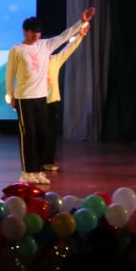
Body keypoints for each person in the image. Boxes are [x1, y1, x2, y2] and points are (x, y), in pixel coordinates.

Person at [4, 8, 96, 186]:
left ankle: (38, 170)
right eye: (33, 32)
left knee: (42, 134)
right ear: (25, 31)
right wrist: (10, 95)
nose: (36, 36)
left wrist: (82, 22)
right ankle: (27, 172)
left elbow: (64, 36)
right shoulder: (17, 50)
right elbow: (10, 74)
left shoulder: (45, 45)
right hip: (24, 98)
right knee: (28, 135)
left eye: (38, 32)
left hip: (41, 97)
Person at [43, 23, 91, 172]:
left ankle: (48, 162)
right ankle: (34, 163)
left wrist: (80, 35)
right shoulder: (32, 62)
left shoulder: (54, 60)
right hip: (35, 101)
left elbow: (69, 48)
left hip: (51, 101)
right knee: (36, 133)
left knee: (50, 134)